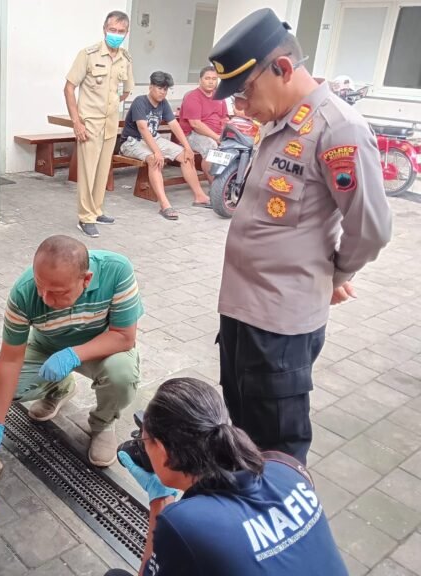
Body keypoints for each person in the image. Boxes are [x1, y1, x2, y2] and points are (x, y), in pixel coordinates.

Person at [207, 9, 392, 464]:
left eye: (245, 91)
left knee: (280, 451)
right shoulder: (279, 120)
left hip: (281, 325)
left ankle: (286, 526)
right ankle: (246, 518)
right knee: (244, 429)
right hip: (241, 310)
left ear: (284, 69)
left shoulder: (338, 128)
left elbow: (371, 227)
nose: (241, 107)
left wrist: (336, 272)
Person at [107, 377, 348, 576]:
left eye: (144, 441)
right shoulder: (286, 468)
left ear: (161, 449)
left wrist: (160, 502)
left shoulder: (184, 522)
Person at [0, 235, 143, 467]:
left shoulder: (117, 271)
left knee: (121, 374)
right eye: (40, 286)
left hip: (101, 347)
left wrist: (73, 354)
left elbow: (124, 337)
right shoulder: (23, 293)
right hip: (47, 346)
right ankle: (60, 389)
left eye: (57, 292)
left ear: (86, 280)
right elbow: (10, 360)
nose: (45, 298)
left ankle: (103, 423)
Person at [65, 10, 134, 238]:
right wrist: (77, 122)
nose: (116, 34)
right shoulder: (88, 54)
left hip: (110, 125)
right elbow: (69, 88)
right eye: (112, 30)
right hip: (89, 124)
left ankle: (96, 210)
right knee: (87, 171)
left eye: (120, 31)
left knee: (103, 170)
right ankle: (85, 218)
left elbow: (125, 90)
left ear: (126, 33)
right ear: (104, 29)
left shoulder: (125, 58)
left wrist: (113, 105)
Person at [119, 71, 212, 221]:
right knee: (154, 159)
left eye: (165, 89)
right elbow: (143, 129)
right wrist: (156, 152)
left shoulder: (164, 103)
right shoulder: (140, 102)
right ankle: (165, 205)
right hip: (132, 141)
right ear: (150, 87)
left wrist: (187, 147)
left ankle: (200, 196)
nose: (162, 92)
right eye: (159, 88)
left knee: (186, 156)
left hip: (153, 138)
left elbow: (174, 125)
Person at [178, 65, 229, 183]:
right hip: (191, 135)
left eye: (214, 79)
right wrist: (216, 137)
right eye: (207, 78)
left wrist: (225, 134)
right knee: (211, 147)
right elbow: (196, 125)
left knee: (234, 147)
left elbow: (225, 118)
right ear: (200, 80)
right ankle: (215, 185)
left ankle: (226, 182)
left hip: (217, 134)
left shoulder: (219, 96)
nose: (211, 82)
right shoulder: (192, 97)